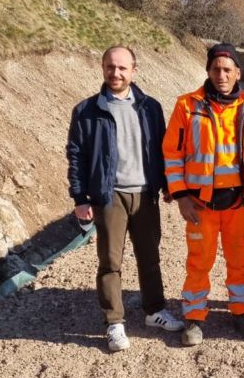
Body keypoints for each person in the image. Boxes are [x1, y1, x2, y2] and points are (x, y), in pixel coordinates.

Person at [67, 45, 183, 352]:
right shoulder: (86, 110)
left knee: (150, 257)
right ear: (103, 68)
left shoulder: (150, 107)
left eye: (122, 68)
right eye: (110, 67)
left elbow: (162, 148)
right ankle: (114, 322)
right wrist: (80, 198)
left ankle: (154, 311)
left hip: (145, 194)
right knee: (110, 261)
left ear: (134, 70)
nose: (115, 73)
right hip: (109, 196)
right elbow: (76, 156)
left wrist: (168, 184)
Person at [162, 43, 244, 347]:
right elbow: (172, 154)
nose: (222, 75)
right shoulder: (187, 106)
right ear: (208, 71)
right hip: (200, 204)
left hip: (239, 204)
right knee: (199, 262)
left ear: (238, 73)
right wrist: (180, 196)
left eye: (227, 69)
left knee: (240, 260)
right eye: (216, 69)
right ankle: (194, 317)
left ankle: (241, 311)